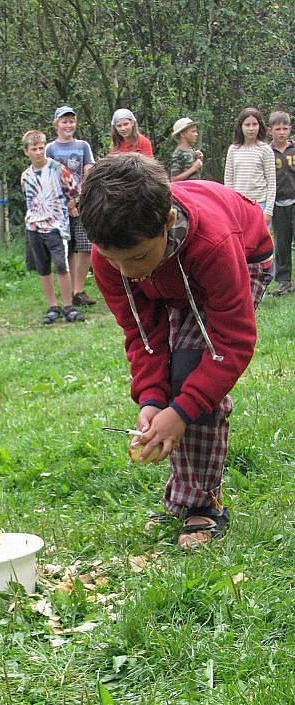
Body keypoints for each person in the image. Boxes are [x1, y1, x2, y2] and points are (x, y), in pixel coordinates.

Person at [80, 154, 273, 549]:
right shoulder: (114, 257)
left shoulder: (213, 244)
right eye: (113, 260)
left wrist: (183, 410)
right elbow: (142, 332)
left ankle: (202, 505)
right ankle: (187, 496)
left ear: (167, 223)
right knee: (173, 377)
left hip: (244, 258)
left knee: (192, 370)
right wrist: (153, 398)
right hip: (171, 276)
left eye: (134, 258)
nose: (126, 271)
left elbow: (232, 341)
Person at [21, 129, 85, 325]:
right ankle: (52, 306)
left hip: (56, 226)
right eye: (34, 149)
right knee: (42, 267)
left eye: (41, 148)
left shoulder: (58, 169)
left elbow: (73, 190)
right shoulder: (25, 176)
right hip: (34, 226)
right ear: (26, 151)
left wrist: (70, 206)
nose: (39, 152)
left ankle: (68, 306)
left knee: (61, 265)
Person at [46, 105, 97, 307]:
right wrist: (66, 201)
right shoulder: (50, 148)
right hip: (59, 206)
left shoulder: (83, 146)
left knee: (85, 247)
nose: (68, 125)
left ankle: (79, 290)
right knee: (67, 248)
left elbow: (89, 172)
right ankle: (67, 291)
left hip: (82, 203)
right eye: (64, 121)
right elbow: (49, 176)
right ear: (56, 124)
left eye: (71, 121)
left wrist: (76, 198)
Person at [224, 107, 275, 225]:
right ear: (241, 127)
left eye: (254, 124)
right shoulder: (233, 150)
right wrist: (229, 206)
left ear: (259, 126)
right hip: (238, 205)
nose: (251, 129)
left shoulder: (265, 150)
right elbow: (228, 182)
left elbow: (271, 183)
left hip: (260, 204)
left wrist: (268, 211)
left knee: (260, 242)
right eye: (247, 125)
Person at [268, 110, 295, 296]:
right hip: (277, 203)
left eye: (285, 128)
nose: (282, 132)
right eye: (278, 129)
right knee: (282, 243)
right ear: (270, 130)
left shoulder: (294, 149)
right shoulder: (267, 152)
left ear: (290, 129)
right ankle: (284, 281)